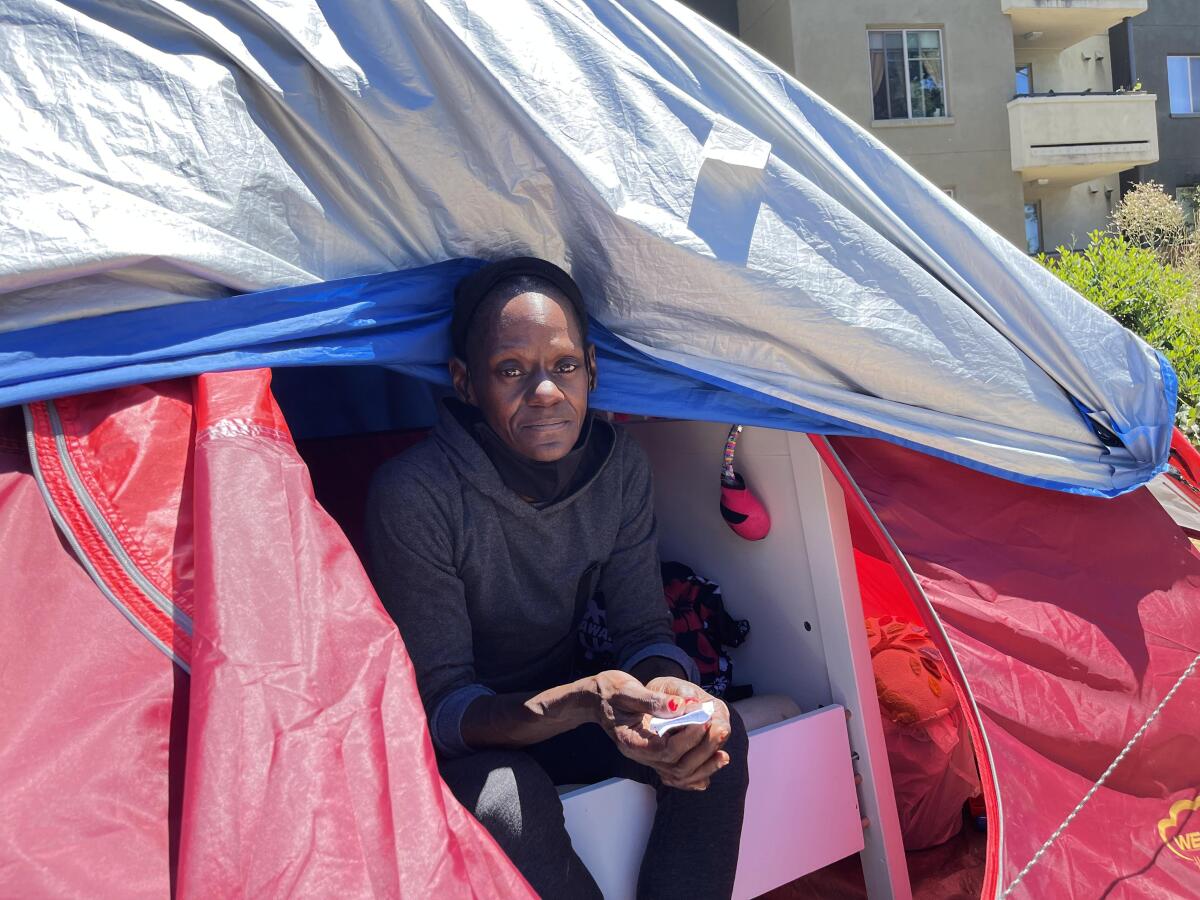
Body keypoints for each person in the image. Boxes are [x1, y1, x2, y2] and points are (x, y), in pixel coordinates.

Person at [365, 257, 749, 899]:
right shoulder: (414, 494)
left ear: (591, 370)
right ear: (465, 382)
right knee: (506, 800)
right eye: (511, 371)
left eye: (564, 366)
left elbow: (644, 630)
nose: (545, 392)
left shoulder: (620, 468)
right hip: (482, 738)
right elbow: (443, 711)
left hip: (575, 711)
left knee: (716, 735)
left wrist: (667, 698)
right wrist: (577, 702)